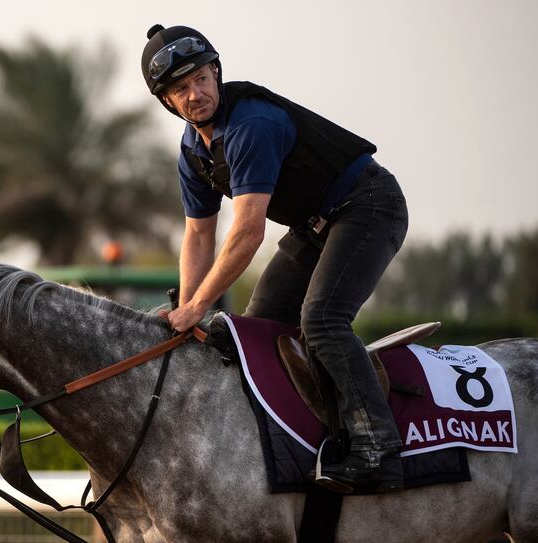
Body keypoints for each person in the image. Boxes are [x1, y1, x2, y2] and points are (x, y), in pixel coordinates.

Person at [141, 24, 409, 493]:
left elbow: (246, 233)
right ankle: (306, 436)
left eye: (201, 78)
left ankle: (377, 451)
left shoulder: (252, 126)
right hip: (315, 225)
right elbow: (199, 236)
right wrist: (185, 308)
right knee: (257, 327)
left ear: (217, 72)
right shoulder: (191, 152)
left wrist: (197, 308)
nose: (195, 93)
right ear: (167, 102)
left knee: (322, 319)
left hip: (369, 205)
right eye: (181, 89)